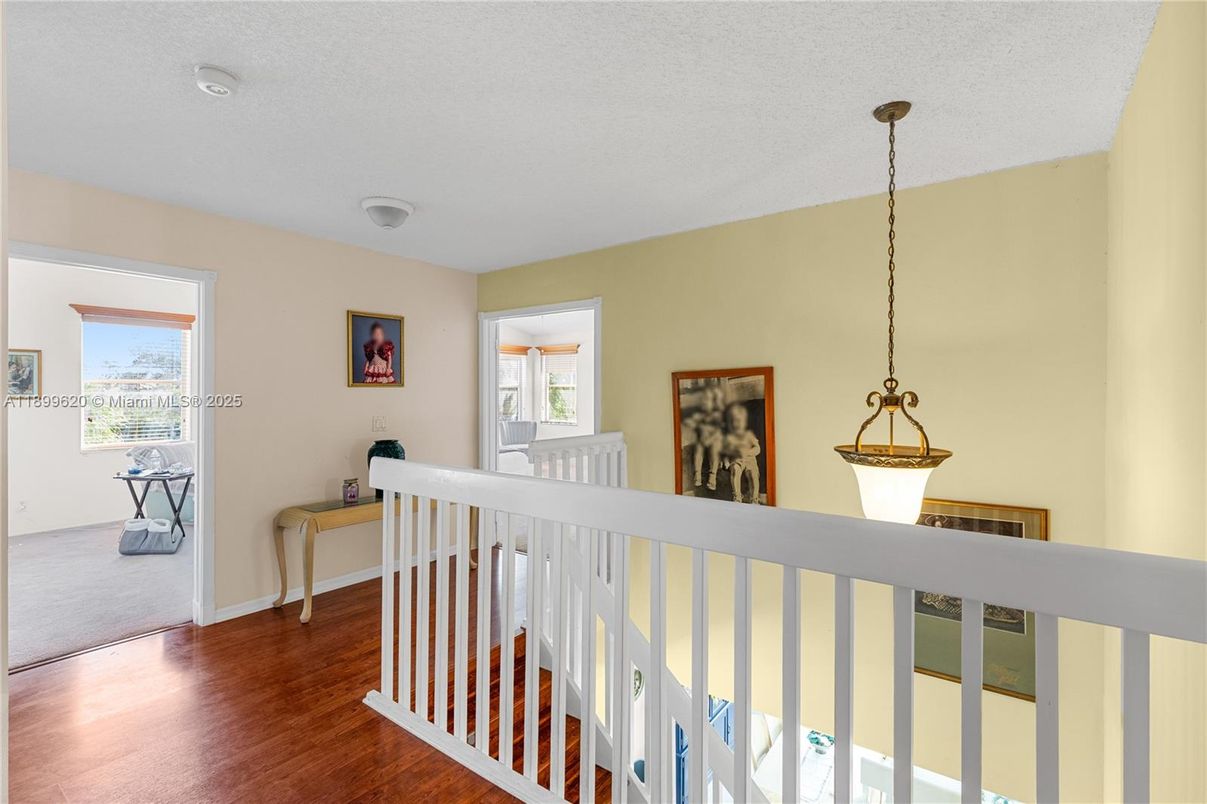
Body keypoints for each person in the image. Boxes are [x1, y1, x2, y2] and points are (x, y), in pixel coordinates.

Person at [722, 402, 761, 504]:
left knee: (753, 474)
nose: (737, 424)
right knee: (735, 470)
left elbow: (757, 448)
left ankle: (754, 498)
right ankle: (737, 496)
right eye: (734, 421)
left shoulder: (748, 435)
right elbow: (725, 451)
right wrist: (725, 461)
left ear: (744, 422)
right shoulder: (730, 437)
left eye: (740, 421)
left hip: (749, 459)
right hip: (736, 460)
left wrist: (749, 452)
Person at [690, 384, 725, 490]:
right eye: (703, 400)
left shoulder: (717, 414)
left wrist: (710, 438)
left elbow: (719, 431)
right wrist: (702, 437)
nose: (705, 402)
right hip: (702, 438)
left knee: (715, 448)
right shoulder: (699, 415)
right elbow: (696, 427)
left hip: (714, 438)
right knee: (698, 448)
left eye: (707, 400)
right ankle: (697, 475)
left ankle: (712, 476)